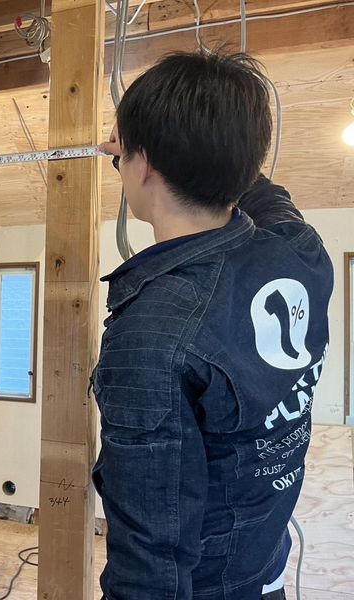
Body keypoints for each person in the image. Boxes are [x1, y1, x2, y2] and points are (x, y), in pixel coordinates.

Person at [93, 51, 333, 599]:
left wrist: (151, 146)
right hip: (262, 563)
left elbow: (151, 558)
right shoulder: (299, 251)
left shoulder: (151, 335)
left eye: (124, 157)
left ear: (144, 167)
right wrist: (155, 145)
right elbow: (266, 196)